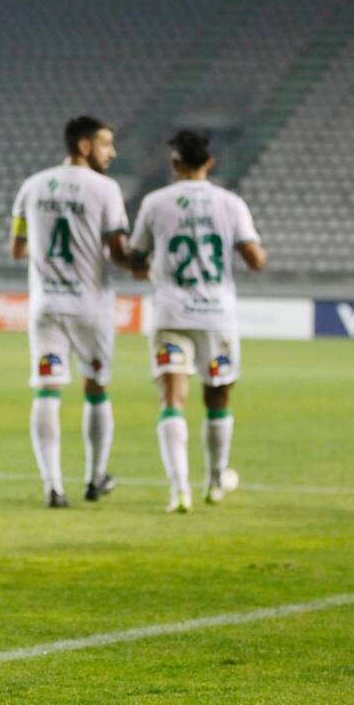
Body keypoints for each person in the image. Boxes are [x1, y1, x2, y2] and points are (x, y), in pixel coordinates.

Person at [128, 130, 266, 512]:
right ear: (210, 162)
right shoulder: (230, 203)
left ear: (174, 163)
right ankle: (216, 480)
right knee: (217, 396)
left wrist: (149, 265)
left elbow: (136, 260)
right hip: (216, 317)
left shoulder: (154, 203)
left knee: (172, 399)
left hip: (171, 314)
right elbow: (255, 260)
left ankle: (178, 492)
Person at [10, 116, 130, 507]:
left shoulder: (33, 185)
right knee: (95, 388)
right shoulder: (106, 189)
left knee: (47, 389)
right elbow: (118, 251)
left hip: (47, 305)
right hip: (91, 306)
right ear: (84, 145)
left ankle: (53, 487)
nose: (111, 152)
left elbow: (17, 248)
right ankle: (95, 478)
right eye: (106, 144)